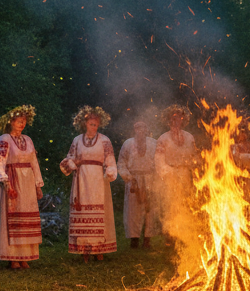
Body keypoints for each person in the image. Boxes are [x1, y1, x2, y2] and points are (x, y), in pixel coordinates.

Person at [61, 105, 118, 261]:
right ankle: (84, 248)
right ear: (84, 124)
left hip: (98, 179)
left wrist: (110, 171)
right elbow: (70, 158)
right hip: (81, 179)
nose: (94, 127)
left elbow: (110, 160)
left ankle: (99, 248)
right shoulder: (77, 140)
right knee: (82, 211)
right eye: (91, 124)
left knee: (99, 210)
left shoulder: (105, 140)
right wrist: (72, 164)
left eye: (96, 125)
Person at [0, 105, 43, 269]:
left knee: (26, 214)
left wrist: (38, 184)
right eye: (19, 121)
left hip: (27, 181)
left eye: (24, 121)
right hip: (12, 179)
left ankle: (24, 255)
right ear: (10, 122)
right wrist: (4, 181)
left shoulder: (28, 140)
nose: (22, 124)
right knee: (13, 215)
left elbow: (34, 162)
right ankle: (12, 257)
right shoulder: (4, 139)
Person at [154, 104, 196, 246]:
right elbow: (159, 159)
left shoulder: (189, 137)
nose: (176, 121)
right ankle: (170, 237)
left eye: (179, 118)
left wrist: (196, 170)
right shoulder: (163, 138)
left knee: (185, 203)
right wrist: (168, 173)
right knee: (171, 205)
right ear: (168, 120)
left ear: (183, 120)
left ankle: (185, 236)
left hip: (185, 174)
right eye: (173, 118)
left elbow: (194, 157)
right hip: (170, 175)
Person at [118, 120, 159, 249]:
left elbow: (159, 161)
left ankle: (148, 239)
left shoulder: (153, 143)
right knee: (133, 210)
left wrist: (157, 178)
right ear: (134, 130)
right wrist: (128, 177)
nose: (140, 131)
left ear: (147, 130)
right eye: (138, 128)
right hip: (133, 179)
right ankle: (134, 239)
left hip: (150, 179)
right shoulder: (128, 143)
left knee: (150, 210)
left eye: (143, 128)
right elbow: (121, 163)